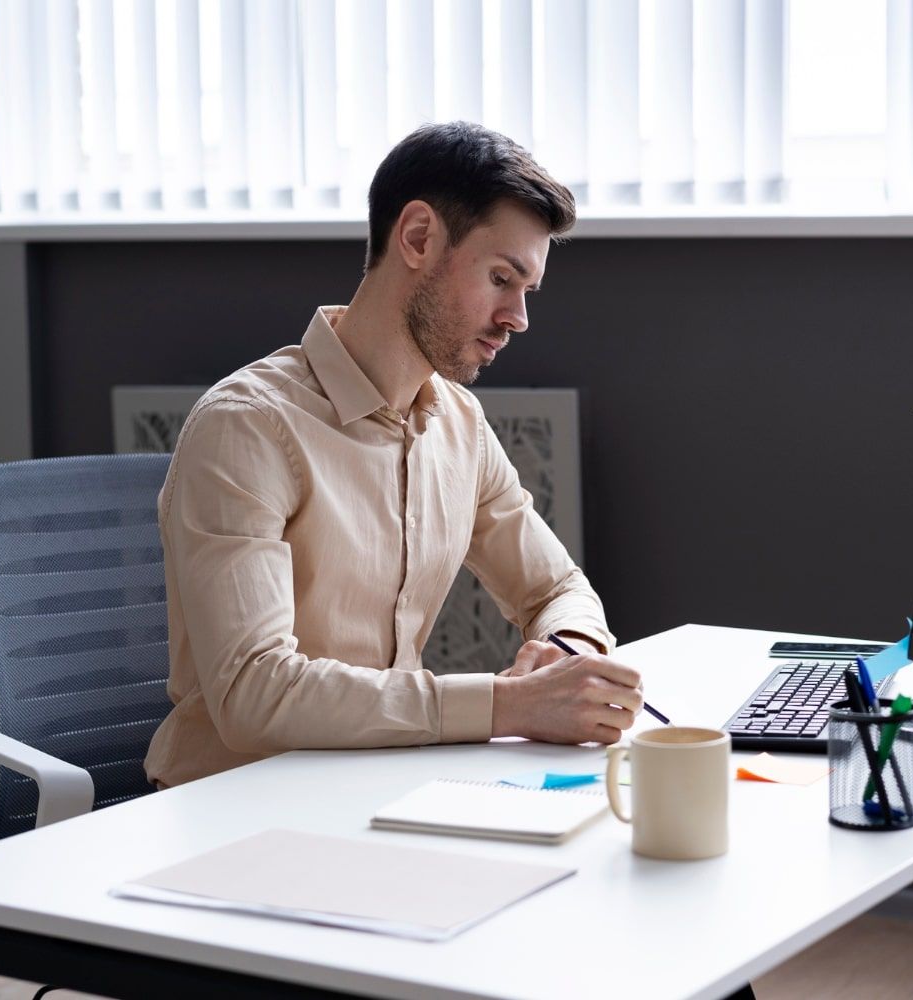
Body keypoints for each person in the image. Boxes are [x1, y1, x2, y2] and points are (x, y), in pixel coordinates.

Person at [144, 122, 643, 788]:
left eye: (527, 290)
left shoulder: (459, 424)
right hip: (233, 805)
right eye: (501, 278)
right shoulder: (249, 428)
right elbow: (254, 693)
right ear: (417, 238)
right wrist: (507, 705)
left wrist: (567, 654)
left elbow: (555, 587)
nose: (518, 317)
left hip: (381, 788)